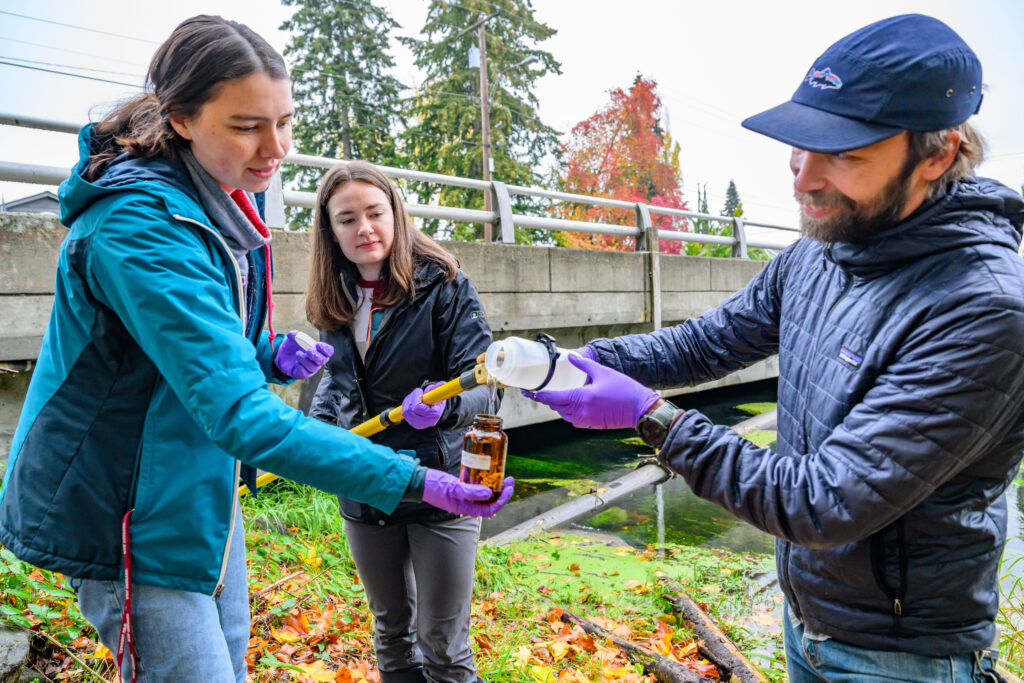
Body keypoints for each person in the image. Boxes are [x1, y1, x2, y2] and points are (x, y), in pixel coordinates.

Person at [0, 16, 509, 683]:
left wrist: (266, 352)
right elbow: (240, 411)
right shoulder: (140, 229)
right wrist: (413, 479)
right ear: (180, 119)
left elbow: (203, 346)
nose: (276, 148)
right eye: (247, 126)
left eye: (285, 121)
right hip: (128, 512)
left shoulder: (225, 197)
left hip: (201, 486)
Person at [525, 14, 1023, 682]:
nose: (803, 179)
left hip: (902, 658)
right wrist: (579, 363)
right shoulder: (818, 252)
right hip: (806, 618)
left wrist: (651, 416)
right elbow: (708, 344)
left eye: (844, 154)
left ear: (936, 154)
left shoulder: (983, 310)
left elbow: (819, 502)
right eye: (801, 145)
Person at [306, 161, 508, 683]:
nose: (363, 229)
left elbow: (486, 382)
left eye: (375, 213)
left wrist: (444, 408)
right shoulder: (334, 296)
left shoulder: (445, 284)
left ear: (396, 214)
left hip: (439, 486)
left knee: (442, 647)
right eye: (347, 219)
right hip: (363, 482)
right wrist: (316, 430)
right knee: (391, 633)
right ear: (330, 230)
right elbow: (337, 383)